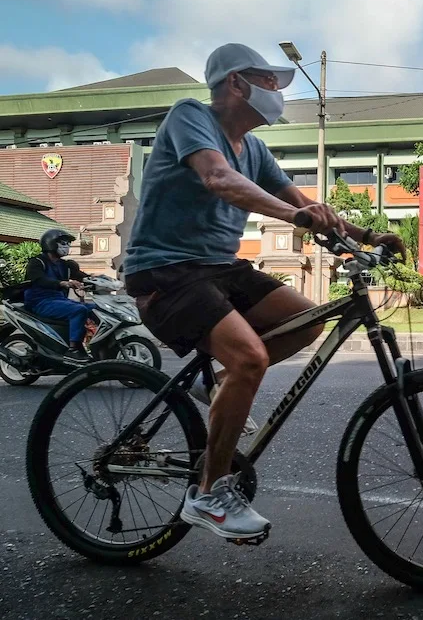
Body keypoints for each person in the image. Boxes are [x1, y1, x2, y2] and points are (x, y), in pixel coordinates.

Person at [123, 43, 404, 542]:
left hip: (219, 270)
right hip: (165, 273)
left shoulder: (254, 149)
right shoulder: (191, 116)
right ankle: (208, 495)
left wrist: (365, 237)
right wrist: (295, 216)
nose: (277, 92)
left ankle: (224, 385)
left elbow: (301, 201)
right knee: (252, 357)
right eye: (269, 82)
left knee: (309, 320)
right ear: (236, 83)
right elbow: (217, 177)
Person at [24, 229, 95, 361]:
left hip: (59, 301)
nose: (66, 247)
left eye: (68, 244)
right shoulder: (37, 262)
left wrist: (101, 280)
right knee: (79, 310)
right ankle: (73, 349)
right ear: (50, 244)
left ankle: (97, 346)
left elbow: (82, 277)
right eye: (63, 243)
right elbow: (39, 280)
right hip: (40, 302)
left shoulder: (66, 265)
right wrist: (62, 283)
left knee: (95, 308)